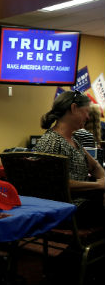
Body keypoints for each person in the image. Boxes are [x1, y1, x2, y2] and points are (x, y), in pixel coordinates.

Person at [33, 91, 105, 226]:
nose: (88, 116)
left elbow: (94, 166)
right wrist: (98, 185)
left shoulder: (74, 139)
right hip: (64, 209)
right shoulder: (51, 141)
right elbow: (55, 184)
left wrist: (103, 180)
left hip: (80, 204)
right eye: (86, 112)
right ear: (73, 108)